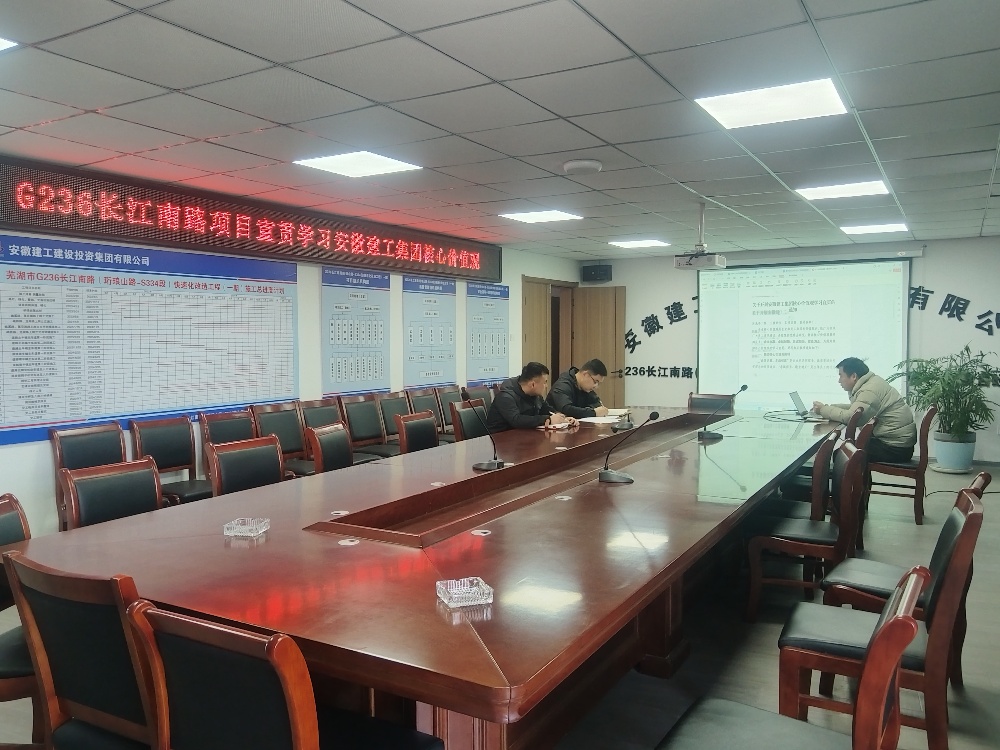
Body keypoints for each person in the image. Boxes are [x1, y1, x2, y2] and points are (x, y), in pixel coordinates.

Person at [812, 357, 917, 462]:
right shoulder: (871, 383)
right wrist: (827, 407)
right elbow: (856, 409)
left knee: (841, 455)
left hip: (895, 448)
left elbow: (851, 417)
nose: (839, 380)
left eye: (841, 375)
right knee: (845, 451)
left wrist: (823, 410)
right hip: (896, 443)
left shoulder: (869, 390)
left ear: (853, 376)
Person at [486, 362, 577, 432]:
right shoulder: (506, 397)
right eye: (545, 382)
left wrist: (561, 418)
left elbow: (546, 408)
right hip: (500, 441)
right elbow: (516, 420)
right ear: (532, 384)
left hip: (522, 437)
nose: (546, 386)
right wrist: (548, 419)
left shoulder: (534, 395)